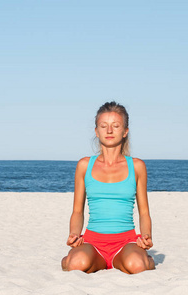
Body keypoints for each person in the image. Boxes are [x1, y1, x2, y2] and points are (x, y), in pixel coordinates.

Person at [61, 101, 155, 274]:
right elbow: (77, 211)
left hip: (126, 242)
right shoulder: (84, 165)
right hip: (92, 242)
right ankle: (72, 257)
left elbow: (144, 212)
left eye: (116, 126)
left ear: (125, 131)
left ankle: (144, 258)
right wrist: (74, 234)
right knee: (76, 264)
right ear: (97, 132)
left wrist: (146, 236)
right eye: (104, 126)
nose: (109, 131)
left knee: (137, 265)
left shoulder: (137, 166)